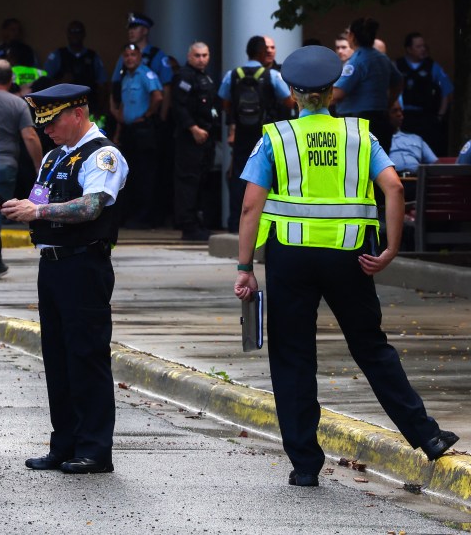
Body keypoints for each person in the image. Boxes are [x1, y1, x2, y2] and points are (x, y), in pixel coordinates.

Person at [234, 45, 459, 487]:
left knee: (293, 358)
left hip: (290, 259)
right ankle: (426, 435)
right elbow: (393, 188)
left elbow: (249, 208)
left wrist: (245, 266)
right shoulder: (361, 135)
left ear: (294, 94)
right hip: (351, 257)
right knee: (372, 348)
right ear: (333, 93)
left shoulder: (275, 137)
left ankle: (304, 465)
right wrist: (392, 248)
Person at [0, 83, 127, 474]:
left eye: (52, 121)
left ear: (78, 113)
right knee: (57, 358)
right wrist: (23, 208)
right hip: (52, 264)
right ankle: (64, 443)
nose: (46, 130)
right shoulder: (55, 155)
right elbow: (40, 201)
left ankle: (94, 448)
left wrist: (37, 213)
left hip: (83, 264)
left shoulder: (103, 155)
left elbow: (91, 206)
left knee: (86, 355)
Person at [0, 59, 43, 278]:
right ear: (11, 80)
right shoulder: (18, 103)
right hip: (5, 165)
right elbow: (30, 136)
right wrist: (38, 165)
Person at [219, 36, 294, 233]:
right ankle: (267, 224)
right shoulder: (272, 76)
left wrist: (237, 117)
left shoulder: (232, 75)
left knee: (239, 176)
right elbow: (289, 102)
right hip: (266, 133)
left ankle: (235, 222)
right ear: (261, 53)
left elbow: (224, 102)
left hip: (242, 133)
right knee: (269, 175)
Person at [109, 43, 162, 229]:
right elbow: (123, 105)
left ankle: (145, 217)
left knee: (145, 175)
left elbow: (158, 96)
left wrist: (147, 115)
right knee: (128, 175)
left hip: (144, 130)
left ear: (139, 56)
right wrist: (118, 131)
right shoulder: (126, 77)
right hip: (129, 131)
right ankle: (131, 215)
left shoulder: (146, 74)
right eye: (127, 55)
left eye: (133, 55)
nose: (130, 58)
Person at [333, 17, 402, 154]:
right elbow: (398, 82)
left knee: (358, 168)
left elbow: (338, 94)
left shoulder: (357, 61)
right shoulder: (382, 58)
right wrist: (388, 103)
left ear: (352, 36)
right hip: (380, 119)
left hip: (357, 125)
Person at [172, 42, 218, 241]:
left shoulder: (205, 77)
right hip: (190, 137)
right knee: (188, 181)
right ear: (189, 56)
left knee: (201, 180)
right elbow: (179, 106)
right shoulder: (184, 76)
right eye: (197, 55)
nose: (201, 59)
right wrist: (193, 128)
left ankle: (198, 222)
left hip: (205, 138)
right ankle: (188, 225)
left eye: (205, 55)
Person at [396, 32, 453, 155]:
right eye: (418, 47)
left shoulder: (432, 66)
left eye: (424, 46)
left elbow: (446, 91)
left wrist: (440, 115)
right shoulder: (397, 66)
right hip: (405, 117)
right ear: (409, 49)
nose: (423, 49)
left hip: (426, 117)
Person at [44, 21, 108, 124]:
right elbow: (44, 83)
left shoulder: (93, 56)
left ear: (84, 34)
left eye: (78, 31)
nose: (75, 34)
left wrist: (99, 109)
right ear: (67, 34)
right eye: (72, 31)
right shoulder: (58, 55)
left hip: (89, 110)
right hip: (63, 112)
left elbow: (103, 86)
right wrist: (61, 82)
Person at [387, 101, 438, 174]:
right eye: (394, 111)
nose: (399, 114)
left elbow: (434, 163)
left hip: (417, 180)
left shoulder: (416, 138)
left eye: (401, 111)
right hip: (390, 181)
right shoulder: (378, 140)